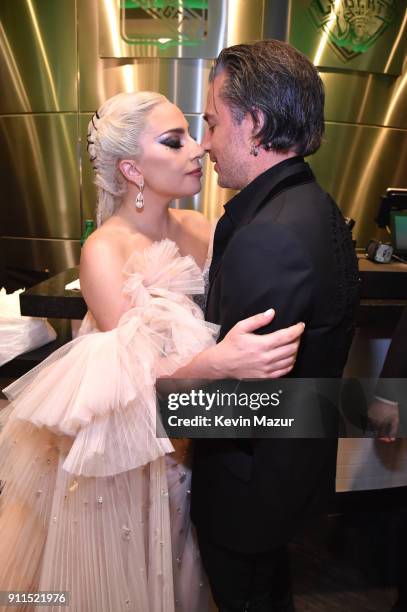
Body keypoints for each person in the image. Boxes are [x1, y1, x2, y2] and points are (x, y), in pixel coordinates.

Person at [0, 91, 304, 612]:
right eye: (174, 141)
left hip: (199, 444)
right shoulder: (104, 250)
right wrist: (218, 361)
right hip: (131, 457)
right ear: (132, 171)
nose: (198, 150)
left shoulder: (206, 227)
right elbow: (137, 380)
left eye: (193, 133)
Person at [190, 40, 360, 612]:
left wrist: (155, 399)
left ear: (255, 123)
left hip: (246, 492)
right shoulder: (317, 205)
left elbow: (241, 402)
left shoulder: (270, 235)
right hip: (286, 478)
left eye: (213, 122)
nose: (206, 143)